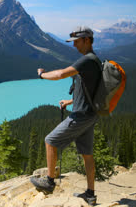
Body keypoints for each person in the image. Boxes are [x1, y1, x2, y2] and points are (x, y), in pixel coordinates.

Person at [30, 26, 101, 205]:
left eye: (76, 41)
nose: (74, 45)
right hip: (90, 114)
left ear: (86, 40)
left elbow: (61, 74)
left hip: (81, 116)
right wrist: (70, 101)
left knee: (50, 140)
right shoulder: (95, 61)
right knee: (87, 154)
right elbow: (89, 90)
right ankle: (90, 194)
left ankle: (49, 182)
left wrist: (42, 75)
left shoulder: (87, 60)